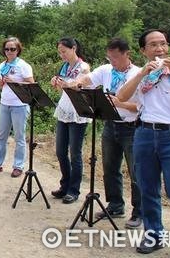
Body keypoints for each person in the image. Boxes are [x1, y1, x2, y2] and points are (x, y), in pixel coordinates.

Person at [117, 30, 170, 258]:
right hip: (145, 133)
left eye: (163, 44)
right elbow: (122, 97)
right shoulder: (141, 74)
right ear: (143, 51)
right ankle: (154, 235)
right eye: (153, 45)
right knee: (148, 188)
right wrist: (141, 74)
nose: (160, 49)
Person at [64, 38, 142, 228]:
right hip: (109, 124)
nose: (112, 60)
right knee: (110, 167)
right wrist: (76, 83)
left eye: (116, 57)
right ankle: (115, 204)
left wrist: (119, 103)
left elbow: (140, 107)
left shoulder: (138, 74)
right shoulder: (106, 70)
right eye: (110, 57)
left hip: (131, 127)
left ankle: (139, 211)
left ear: (127, 54)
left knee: (135, 171)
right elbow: (88, 79)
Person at [0, 37, 34, 178]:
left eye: (13, 49)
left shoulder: (23, 65)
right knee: (1, 135)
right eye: (7, 49)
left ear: (18, 50)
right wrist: (1, 83)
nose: (9, 51)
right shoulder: (2, 65)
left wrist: (14, 82)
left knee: (19, 136)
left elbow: (31, 84)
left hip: (20, 104)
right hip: (5, 103)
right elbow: (0, 85)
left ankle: (18, 166)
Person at [50, 37, 91, 203]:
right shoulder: (65, 66)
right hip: (64, 109)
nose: (62, 55)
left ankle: (74, 190)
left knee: (75, 153)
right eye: (60, 52)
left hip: (78, 112)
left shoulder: (84, 66)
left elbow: (78, 85)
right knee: (60, 151)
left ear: (74, 48)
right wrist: (56, 81)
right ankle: (64, 185)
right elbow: (63, 86)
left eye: (64, 52)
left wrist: (67, 84)